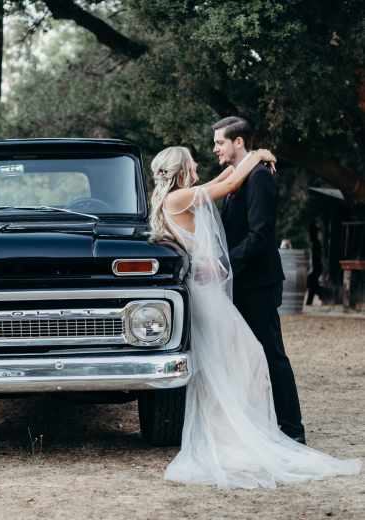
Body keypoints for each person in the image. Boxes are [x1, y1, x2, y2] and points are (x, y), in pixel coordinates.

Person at [148, 145, 361, 488]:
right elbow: (227, 187)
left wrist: (243, 163)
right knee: (247, 358)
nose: (199, 168)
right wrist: (258, 153)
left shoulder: (179, 197)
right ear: (182, 170)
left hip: (207, 293)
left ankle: (238, 428)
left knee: (231, 362)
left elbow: (222, 179)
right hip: (206, 299)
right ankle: (236, 434)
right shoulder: (180, 198)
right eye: (192, 163)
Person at [212, 116, 305, 443]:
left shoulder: (260, 178)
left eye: (220, 142)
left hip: (259, 284)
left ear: (239, 142)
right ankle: (259, 425)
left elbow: (260, 235)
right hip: (241, 283)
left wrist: (223, 263)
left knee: (272, 355)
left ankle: (292, 431)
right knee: (245, 357)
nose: (216, 148)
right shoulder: (237, 178)